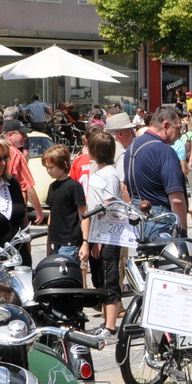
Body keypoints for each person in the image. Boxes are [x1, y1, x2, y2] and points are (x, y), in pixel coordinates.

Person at [81, 135, 126, 331]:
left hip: (105, 235)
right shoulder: (104, 173)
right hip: (99, 235)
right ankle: (107, 322)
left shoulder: (107, 175)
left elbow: (106, 208)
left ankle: (110, 326)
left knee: (109, 280)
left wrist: (97, 239)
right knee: (101, 278)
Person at [125, 107, 189, 234]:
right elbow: (176, 199)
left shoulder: (131, 147)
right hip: (160, 219)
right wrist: (182, 231)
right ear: (165, 125)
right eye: (177, 128)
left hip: (138, 216)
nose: (180, 133)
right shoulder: (165, 151)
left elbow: (125, 186)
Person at [41, 145, 87, 260]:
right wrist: (48, 243)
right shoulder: (52, 186)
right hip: (56, 241)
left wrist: (85, 241)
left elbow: (83, 214)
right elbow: (52, 216)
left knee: (66, 274)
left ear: (64, 165)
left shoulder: (74, 186)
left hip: (70, 241)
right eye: (47, 167)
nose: (49, 171)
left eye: (52, 167)